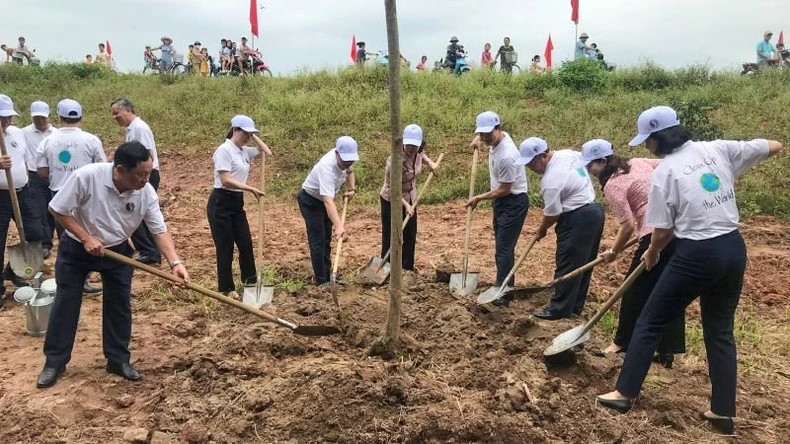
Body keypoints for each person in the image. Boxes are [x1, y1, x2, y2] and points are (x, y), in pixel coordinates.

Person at [596, 106, 783, 436]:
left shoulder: (665, 173)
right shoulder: (717, 149)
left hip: (697, 252)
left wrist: (652, 254)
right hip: (733, 249)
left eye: (647, 141)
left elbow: (662, 232)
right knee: (720, 331)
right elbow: (773, 145)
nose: (647, 147)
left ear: (657, 139)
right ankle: (723, 413)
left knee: (650, 320)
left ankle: (624, 393)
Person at [36, 141, 190, 389]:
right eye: (140, 174)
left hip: (117, 250)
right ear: (120, 170)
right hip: (77, 248)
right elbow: (57, 209)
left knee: (119, 304)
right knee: (67, 302)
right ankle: (54, 362)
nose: (145, 179)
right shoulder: (86, 177)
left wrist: (175, 262)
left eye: (149, 173)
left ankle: (117, 360)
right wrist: (86, 237)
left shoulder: (146, 192)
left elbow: (158, 229)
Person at [577, 139, 685, 367]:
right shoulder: (638, 162)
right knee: (669, 290)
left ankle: (621, 343)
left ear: (604, 161)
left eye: (591, 167)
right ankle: (667, 351)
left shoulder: (612, 186)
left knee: (633, 291)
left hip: (654, 234)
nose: (590, 172)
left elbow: (626, 226)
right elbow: (670, 166)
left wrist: (614, 251)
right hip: (679, 229)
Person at [516, 137, 604, 319]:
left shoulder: (551, 180)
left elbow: (553, 213)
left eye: (532, 162)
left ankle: (559, 309)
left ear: (543, 155)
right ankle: (575, 305)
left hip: (577, 218)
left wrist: (542, 229)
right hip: (595, 213)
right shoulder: (567, 154)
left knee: (568, 264)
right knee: (584, 263)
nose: (530, 167)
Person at [37, 99, 106, 294]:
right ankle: (81, 281)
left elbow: (41, 171)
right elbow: (102, 167)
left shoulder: (48, 140)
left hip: (59, 196)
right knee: (87, 236)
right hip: (87, 196)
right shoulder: (91, 140)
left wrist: (58, 171)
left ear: (59, 117)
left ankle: (69, 280)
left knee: (67, 239)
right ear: (81, 117)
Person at [465, 112, 529, 307]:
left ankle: (504, 291)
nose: (484, 138)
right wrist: (478, 139)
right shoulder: (497, 139)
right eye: (481, 134)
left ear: (498, 128)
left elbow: (504, 189)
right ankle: (503, 284)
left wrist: (478, 198)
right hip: (502, 202)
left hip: (513, 202)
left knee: (504, 249)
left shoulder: (508, 155)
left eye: (487, 134)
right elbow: (484, 137)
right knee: (502, 247)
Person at [208, 115, 271, 298]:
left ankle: (250, 283)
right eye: (245, 133)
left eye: (250, 134)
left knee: (245, 242)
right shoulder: (224, 150)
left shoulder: (243, 150)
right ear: (235, 130)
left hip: (237, 203)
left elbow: (266, 152)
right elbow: (225, 180)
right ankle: (227, 289)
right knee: (225, 246)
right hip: (221, 202)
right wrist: (251, 188)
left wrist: (254, 135)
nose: (248, 137)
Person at [0, 94, 46, 296]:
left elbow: (26, 161)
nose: (7, 121)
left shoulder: (17, 133)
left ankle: (12, 271)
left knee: (36, 233)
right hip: (0, 197)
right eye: (3, 117)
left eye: (9, 116)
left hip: (23, 193)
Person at [298, 136, 358, 286]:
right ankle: (322, 281)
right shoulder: (327, 167)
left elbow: (350, 172)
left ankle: (329, 274)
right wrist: (338, 225)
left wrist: (352, 189)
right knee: (318, 240)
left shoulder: (347, 160)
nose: (347, 164)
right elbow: (328, 201)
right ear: (337, 153)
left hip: (323, 202)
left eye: (350, 161)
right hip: (310, 201)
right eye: (345, 161)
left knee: (326, 239)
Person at [379, 125, 439, 272]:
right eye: (408, 145)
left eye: (414, 145)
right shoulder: (394, 161)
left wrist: (430, 163)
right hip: (391, 200)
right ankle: (387, 268)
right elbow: (393, 189)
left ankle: (407, 268)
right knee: (392, 234)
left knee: (410, 233)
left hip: (411, 197)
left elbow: (422, 156)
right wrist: (405, 206)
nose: (411, 148)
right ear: (403, 143)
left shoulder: (418, 152)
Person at [110, 98, 162, 266]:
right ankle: (149, 250)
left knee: (135, 211)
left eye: (116, 113)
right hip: (140, 174)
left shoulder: (139, 128)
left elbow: (147, 155)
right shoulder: (132, 129)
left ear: (128, 110)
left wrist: (142, 176)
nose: (115, 117)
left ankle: (149, 251)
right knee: (138, 211)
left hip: (144, 174)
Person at [22, 101, 57, 258]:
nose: (40, 121)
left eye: (43, 118)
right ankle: (44, 244)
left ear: (49, 116)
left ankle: (49, 240)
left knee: (53, 210)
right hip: (34, 175)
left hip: (54, 175)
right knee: (39, 210)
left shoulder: (56, 134)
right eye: (37, 118)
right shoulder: (23, 133)